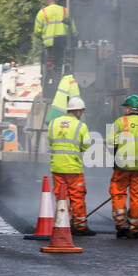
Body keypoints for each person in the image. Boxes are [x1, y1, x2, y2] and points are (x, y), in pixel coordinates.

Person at [107, 94, 138, 238]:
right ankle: (134, 228)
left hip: (122, 165)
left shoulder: (120, 122)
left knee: (118, 193)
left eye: (125, 107)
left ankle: (121, 225)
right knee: (137, 196)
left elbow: (109, 142)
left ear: (128, 108)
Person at [49, 96, 95, 235]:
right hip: (73, 168)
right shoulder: (81, 126)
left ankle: (64, 224)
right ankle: (80, 226)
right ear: (79, 111)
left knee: (61, 197)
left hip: (57, 167)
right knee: (77, 197)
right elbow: (86, 145)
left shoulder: (53, 123)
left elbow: (51, 142)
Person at [34, 0, 71, 78]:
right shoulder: (65, 10)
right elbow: (73, 27)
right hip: (64, 45)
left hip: (50, 46)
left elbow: (37, 31)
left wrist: (41, 37)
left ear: (46, 1)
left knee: (49, 66)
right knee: (65, 62)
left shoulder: (42, 13)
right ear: (55, 0)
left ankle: (51, 78)